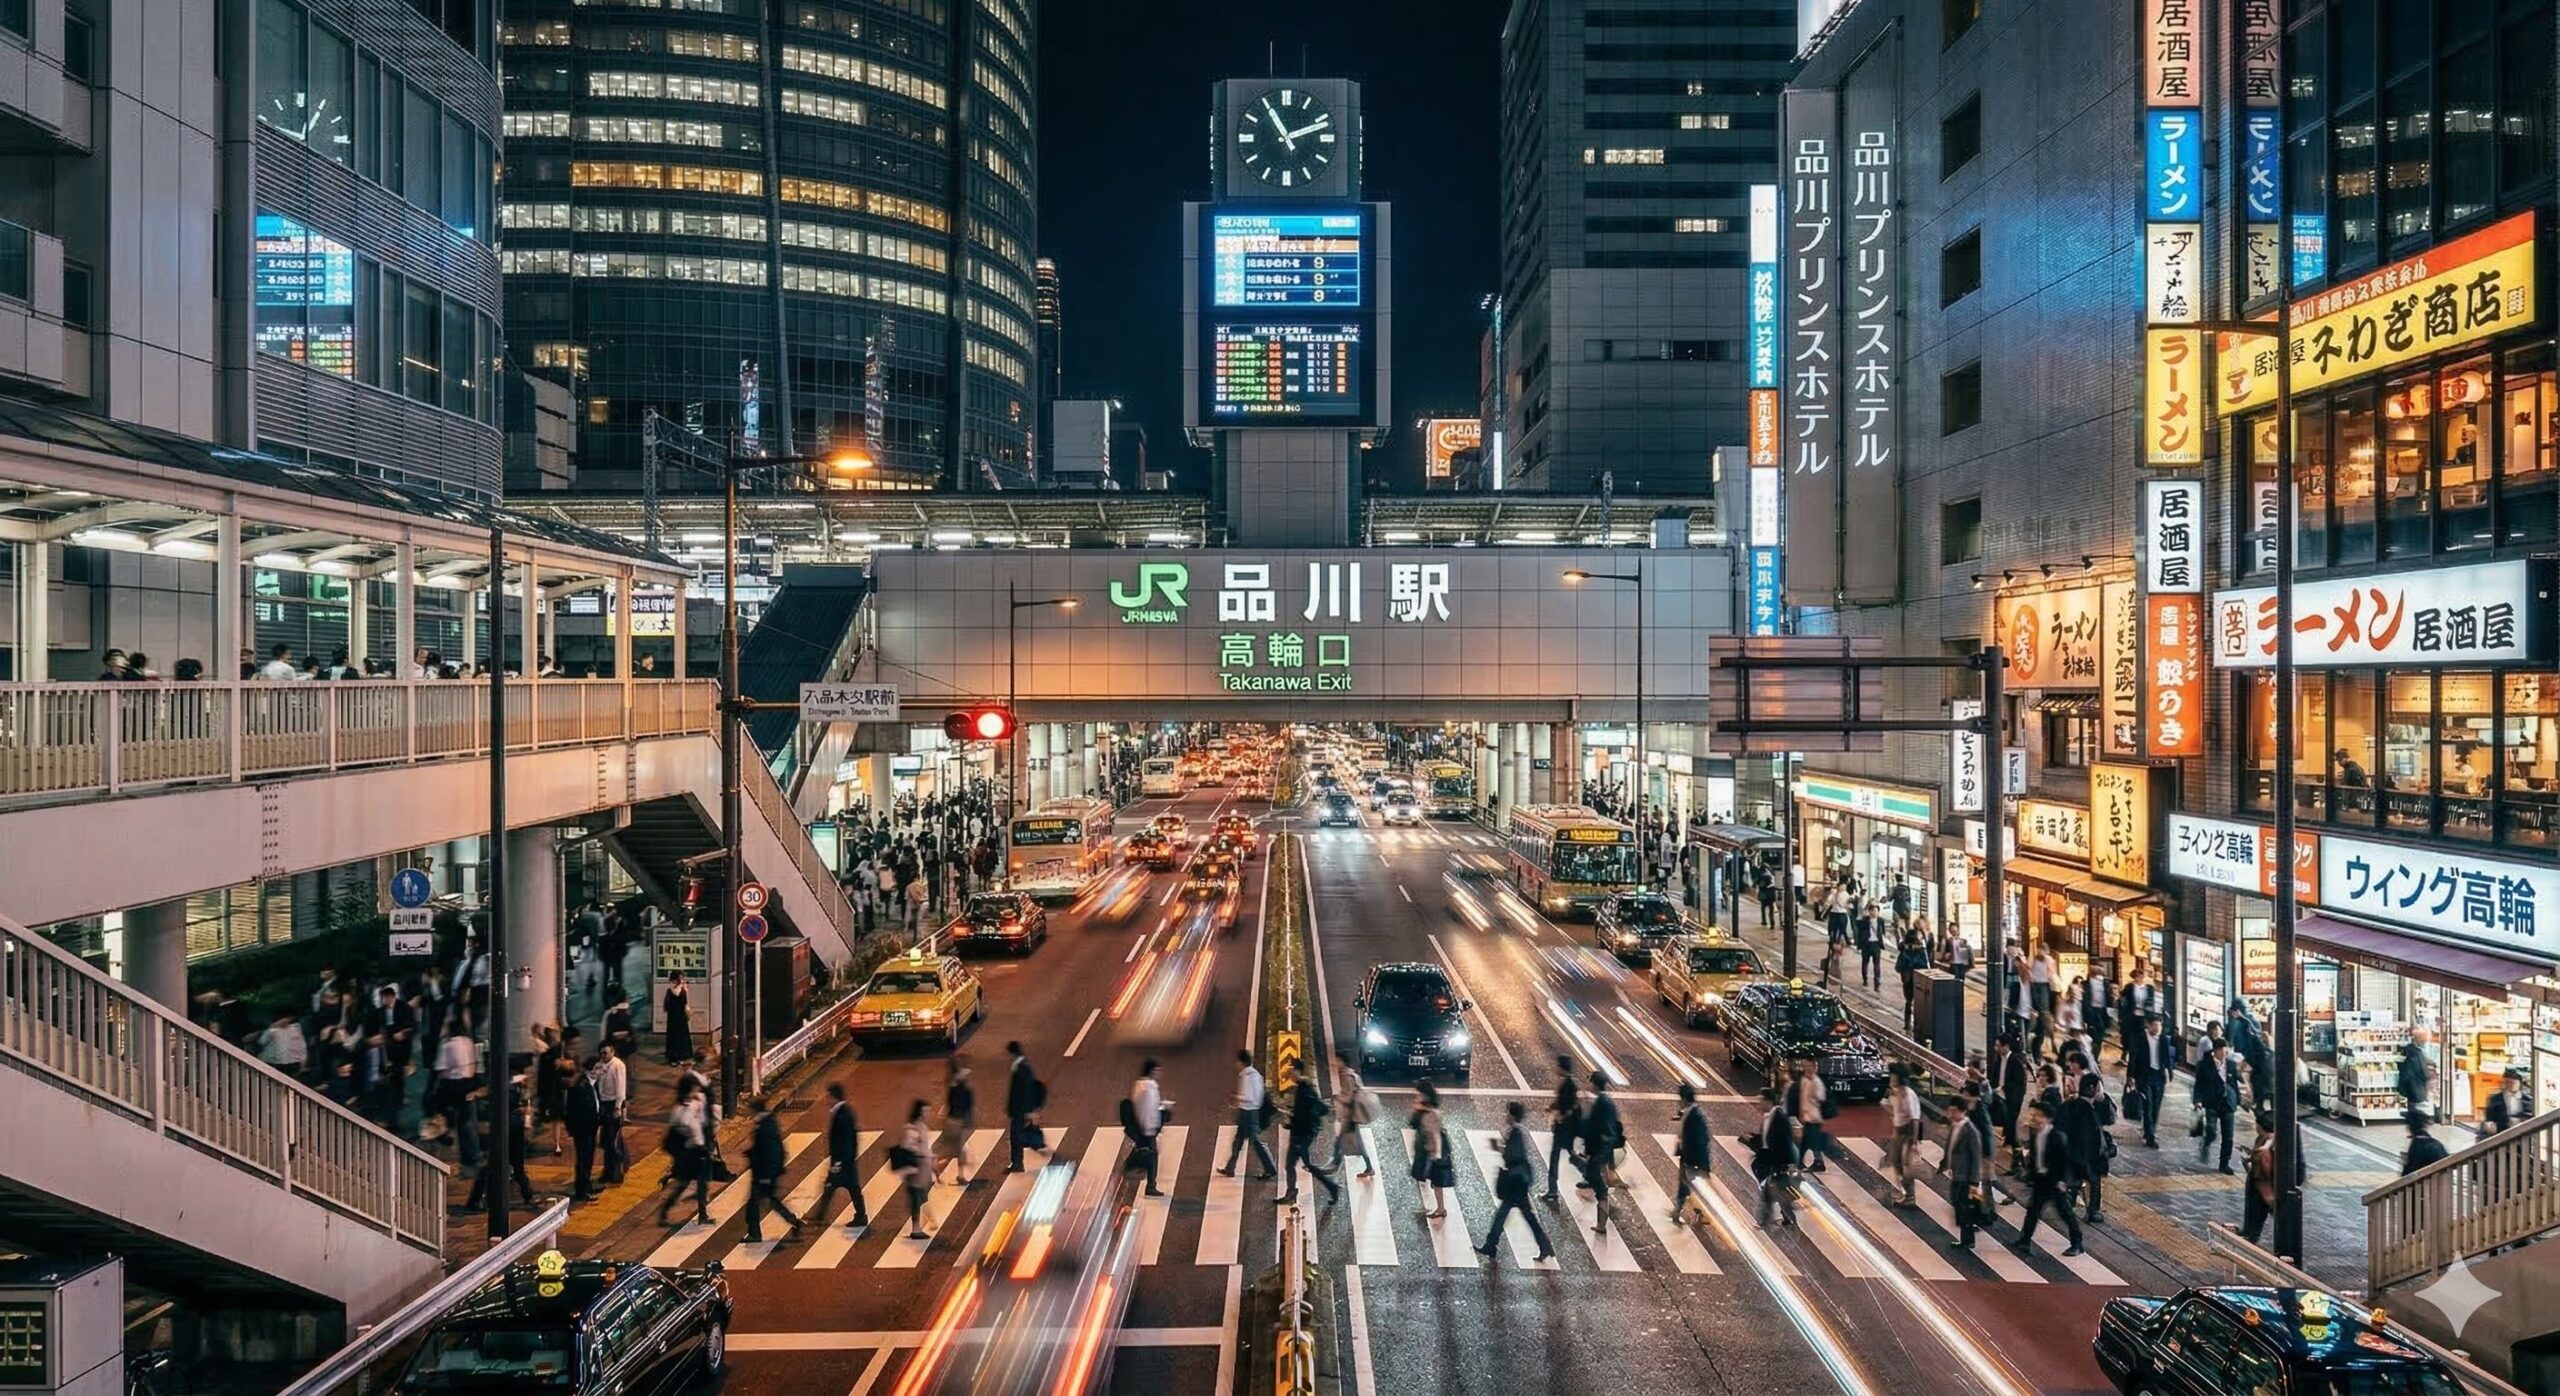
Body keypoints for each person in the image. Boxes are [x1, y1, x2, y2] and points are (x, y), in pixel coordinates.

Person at [1476, 1100, 1556, 1263]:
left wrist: (1500, 1149)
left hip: (1516, 1182)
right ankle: (1544, 1246)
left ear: (1512, 1115)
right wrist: (1499, 1148)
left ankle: (1491, 1245)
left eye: (1507, 1113)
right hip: (1519, 1180)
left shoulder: (1516, 1132)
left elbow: (1515, 1155)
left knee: (1507, 1215)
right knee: (1521, 1216)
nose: (1506, 1116)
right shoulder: (1517, 1131)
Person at [2013, 1103, 2086, 1257]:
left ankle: (2077, 1243)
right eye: (2033, 1115)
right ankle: (2024, 1241)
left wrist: (2063, 1182)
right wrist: (2030, 1173)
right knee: (2033, 1211)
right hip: (2041, 1180)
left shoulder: (2057, 1137)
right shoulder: (2035, 1133)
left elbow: (2065, 1161)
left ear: (2048, 1119)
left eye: (2038, 1115)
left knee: (2064, 1213)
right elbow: (2035, 1156)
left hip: (2055, 1181)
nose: (2034, 1118)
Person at [743, 1095, 805, 1243]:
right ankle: (794, 1222)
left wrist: (766, 1174)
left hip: (763, 1173)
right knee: (773, 1201)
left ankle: (754, 1234)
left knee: (753, 1205)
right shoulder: (768, 1123)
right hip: (767, 1172)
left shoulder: (764, 1126)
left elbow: (767, 1151)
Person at [657, 1076, 713, 1227]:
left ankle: (703, 1215)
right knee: (686, 1183)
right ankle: (664, 1212)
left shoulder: (692, 1103)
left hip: (695, 1150)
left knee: (700, 1183)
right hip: (691, 1152)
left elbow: (703, 1119)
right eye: (695, 1088)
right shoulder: (682, 1110)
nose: (698, 1090)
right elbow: (687, 1128)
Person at [1278, 1072, 1340, 1206]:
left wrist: (1290, 1121)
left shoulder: (1303, 1092)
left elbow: (1301, 1117)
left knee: (1292, 1165)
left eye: (1292, 1070)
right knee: (1303, 1166)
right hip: (1305, 1135)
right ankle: (1331, 1187)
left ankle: (1292, 1193)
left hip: (1300, 1136)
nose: (1290, 1074)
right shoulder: (1307, 1088)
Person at [2060, 1072, 2114, 1224]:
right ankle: (2092, 1210)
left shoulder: (2073, 1105)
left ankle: (2070, 1203)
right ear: (2091, 1089)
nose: (2100, 1091)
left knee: (2076, 1180)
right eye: (2099, 1088)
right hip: (2087, 1155)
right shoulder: (2087, 1110)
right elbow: (2094, 1134)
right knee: (2093, 1182)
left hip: (2074, 1154)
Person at [1220, 1048, 1280, 1179]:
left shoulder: (1247, 1076)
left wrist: (1236, 1097)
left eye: (1237, 1061)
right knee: (1237, 1142)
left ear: (1241, 1062)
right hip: (1248, 1112)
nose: (1236, 1064)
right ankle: (1230, 1169)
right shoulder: (1256, 1075)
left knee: (1256, 1142)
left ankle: (1270, 1168)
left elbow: (1250, 1097)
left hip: (1249, 1113)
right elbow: (1258, 1095)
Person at [1578, 1070, 1624, 1238]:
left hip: (1598, 1151)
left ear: (1595, 1084)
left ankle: (1601, 1224)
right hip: (1603, 1150)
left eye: (1590, 1082)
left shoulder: (1600, 1104)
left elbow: (1592, 1128)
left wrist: (1593, 1154)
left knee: (1600, 1190)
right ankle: (1600, 1223)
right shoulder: (1608, 1102)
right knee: (1600, 1188)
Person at [1748, 1086, 1799, 1228]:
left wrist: (1781, 1164)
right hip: (1767, 1161)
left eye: (1761, 1101)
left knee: (1769, 1192)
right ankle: (1788, 1218)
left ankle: (1763, 1220)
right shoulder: (1768, 1117)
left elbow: (1783, 1143)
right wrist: (1751, 1140)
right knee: (1776, 1193)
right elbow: (1765, 1140)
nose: (1759, 1104)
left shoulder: (1779, 1118)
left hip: (1776, 1162)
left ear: (1768, 1101)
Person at [1944, 1095, 1990, 1250]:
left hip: (1966, 1177)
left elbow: (1976, 1157)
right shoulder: (1955, 1126)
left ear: (1962, 1111)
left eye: (1954, 1112)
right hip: (1957, 1173)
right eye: (1950, 1111)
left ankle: (1967, 1239)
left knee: (1965, 1207)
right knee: (1958, 1204)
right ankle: (1967, 1236)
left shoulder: (1970, 1131)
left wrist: (1974, 1182)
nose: (1951, 1115)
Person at [2128, 1014, 2178, 1148]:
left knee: (2156, 1105)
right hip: (2144, 1076)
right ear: (2148, 1025)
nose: (2158, 1028)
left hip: (2158, 1075)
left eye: (2160, 1025)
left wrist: (2170, 1070)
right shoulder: (2140, 1038)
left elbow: (2166, 1056)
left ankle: (2150, 1129)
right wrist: (2130, 1077)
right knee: (2148, 1104)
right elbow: (2133, 1057)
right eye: (2155, 1025)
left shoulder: (2163, 1039)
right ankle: (2150, 1136)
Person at [2195, 1039, 2241, 1175]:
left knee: (2228, 1136)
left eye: (2226, 1049)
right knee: (2211, 1130)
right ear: (2215, 1051)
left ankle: (2224, 1163)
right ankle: (2206, 1142)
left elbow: (2234, 1084)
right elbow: (2199, 1084)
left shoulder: (2231, 1065)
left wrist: (2238, 1100)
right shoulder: (2204, 1065)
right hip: (2211, 1103)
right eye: (2221, 1049)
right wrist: (2197, 1100)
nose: (2224, 1052)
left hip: (2228, 1104)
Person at [892, 1100, 937, 1240]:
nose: (927, 1114)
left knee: (921, 1195)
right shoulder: (912, 1130)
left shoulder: (922, 1127)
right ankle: (917, 1228)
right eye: (925, 1112)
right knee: (916, 1197)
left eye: (928, 1112)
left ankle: (929, 1219)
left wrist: (931, 1159)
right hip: (916, 1169)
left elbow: (924, 1148)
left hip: (922, 1168)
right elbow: (908, 1148)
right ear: (919, 1113)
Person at [1541, 1053, 1582, 1203]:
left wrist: (1560, 1117)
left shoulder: (1568, 1084)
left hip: (1564, 1128)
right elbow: (1563, 1102)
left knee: (1556, 1158)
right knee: (1567, 1155)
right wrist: (1551, 1108)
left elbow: (1569, 1105)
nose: (1555, 1068)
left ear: (1561, 1067)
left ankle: (1591, 1177)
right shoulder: (1567, 1082)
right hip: (1565, 1128)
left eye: (1557, 1065)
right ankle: (1590, 1176)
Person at [1408, 1081, 1453, 1219]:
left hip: (1430, 1153)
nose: (1416, 1096)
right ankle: (1435, 1207)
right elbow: (1412, 1123)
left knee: (1432, 1180)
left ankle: (1438, 1208)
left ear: (1425, 1096)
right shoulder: (1423, 1110)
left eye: (1419, 1094)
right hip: (1425, 1150)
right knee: (1423, 1178)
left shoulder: (1432, 1114)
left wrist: (1436, 1154)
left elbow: (1436, 1135)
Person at [1672, 1082, 1715, 1225]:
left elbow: (1701, 1140)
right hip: (1689, 1158)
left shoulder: (1695, 1116)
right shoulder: (1690, 1113)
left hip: (1694, 1160)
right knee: (1686, 1186)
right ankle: (1679, 1211)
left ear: (1683, 1099)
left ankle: (1696, 1213)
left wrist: (1702, 1164)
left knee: (1692, 1188)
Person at [1123, 1059, 1167, 1197]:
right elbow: (1149, 1110)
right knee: (1152, 1156)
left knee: (1146, 1152)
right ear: (1152, 1071)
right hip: (1147, 1128)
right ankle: (1150, 1185)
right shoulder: (1149, 1088)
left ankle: (1132, 1166)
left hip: (1140, 1126)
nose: (1160, 1073)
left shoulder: (1139, 1085)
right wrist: (1152, 1129)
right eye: (1158, 1070)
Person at [1785, 1057, 1837, 1172]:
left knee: (1808, 1140)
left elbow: (1821, 1098)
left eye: (1809, 1066)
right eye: (1805, 1067)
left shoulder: (1816, 1082)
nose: (1806, 1069)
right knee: (1808, 1140)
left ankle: (1809, 1162)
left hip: (1814, 1117)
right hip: (1807, 1116)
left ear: (1815, 1067)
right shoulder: (1805, 1080)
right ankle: (1813, 1162)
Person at [562, 1060, 603, 1201]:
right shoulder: (577, 1088)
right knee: (584, 1159)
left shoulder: (584, 1083)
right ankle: (583, 1189)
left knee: (588, 1158)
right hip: (583, 1128)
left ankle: (586, 1185)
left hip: (589, 1126)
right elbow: (571, 1112)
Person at [1005, 1041, 1049, 1171]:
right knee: (1016, 1136)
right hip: (1019, 1109)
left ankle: (1018, 1163)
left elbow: (1025, 1090)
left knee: (1016, 1136)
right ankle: (1017, 1162)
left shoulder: (1022, 1068)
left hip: (1021, 1110)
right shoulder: (1021, 1065)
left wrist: (1030, 1110)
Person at [1884, 1065, 1924, 1206]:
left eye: (1893, 1076)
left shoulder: (1908, 1094)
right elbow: (1891, 1109)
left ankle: (1910, 1197)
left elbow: (1915, 1119)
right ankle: (1906, 1191)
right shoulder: (1894, 1093)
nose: (1891, 1078)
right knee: (1896, 1162)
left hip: (1907, 1133)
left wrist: (1914, 1142)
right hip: (1898, 1131)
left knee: (1907, 1166)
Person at [1333, 1052, 1376, 1180]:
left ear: (1342, 1061)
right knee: (1342, 1140)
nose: (1335, 1063)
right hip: (1352, 1114)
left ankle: (1335, 1164)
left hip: (1351, 1115)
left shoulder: (1347, 1076)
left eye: (1337, 1060)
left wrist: (1338, 1098)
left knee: (1352, 1142)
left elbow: (1349, 1096)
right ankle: (1336, 1162)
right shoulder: (1351, 1074)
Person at [2242, 1114, 2278, 1245]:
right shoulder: (2262, 1139)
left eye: (2256, 1123)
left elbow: (2262, 1171)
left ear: (2261, 1126)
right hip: (2259, 1185)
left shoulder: (2266, 1144)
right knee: (2255, 1216)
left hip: (2262, 1187)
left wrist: (2251, 1163)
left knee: (2257, 1217)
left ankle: (2250, 1240)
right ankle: (2250, 1236)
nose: (2254, 1126)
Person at [942, 1062, 977, 1180]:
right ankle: (935, 1166)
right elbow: (967, 1106)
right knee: (956, 1150)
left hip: (952, 1121)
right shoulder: (963, 1090)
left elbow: (950, 1104)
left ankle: (960, 1174)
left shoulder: (952, 1088)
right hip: (958, 1122)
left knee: (955, 1150)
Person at [2396, 1038, 2435, 1119]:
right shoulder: (2418, 1054)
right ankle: (2418, 1117)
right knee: (2417, 1102)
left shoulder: (2409, 1056)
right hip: (2417, 1085)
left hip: (2410, 1086)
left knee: (2413, 1102)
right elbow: (2424, 1072)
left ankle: (2413, 1116)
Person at [2402, 1111, 2450, 1176]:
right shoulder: (2437, 1143)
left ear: (2411, 1127)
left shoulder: (2417, 1145)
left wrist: (2405, 1164)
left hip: (2424, 1182)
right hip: (2441, 1181)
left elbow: (2409, 1172)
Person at [661, 972, 694, 1064]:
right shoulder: (682, 991)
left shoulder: (670, 991)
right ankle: (681, 1056)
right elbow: (685, 1004)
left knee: (674, 1036)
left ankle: (674, 1057)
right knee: (681, 1036)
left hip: (673, 1017)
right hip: (680, 1017)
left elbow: (666, 1006)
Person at [2486, 1067, 2527, 1135]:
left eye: (2514, 1083)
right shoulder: (2495, 1099)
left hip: (2523, 1135)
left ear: (2519, 1083)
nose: (2511, 1085)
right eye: (2508, 1082)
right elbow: (2490, 1118)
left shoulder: (2528, 1100)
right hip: (2502, 1135)